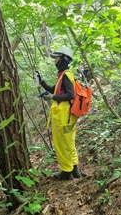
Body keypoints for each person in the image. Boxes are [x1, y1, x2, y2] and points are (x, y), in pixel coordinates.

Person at [37, 46, 81, 180]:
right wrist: (41, 82)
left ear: (63, 59)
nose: (55, 61)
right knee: (69, 143)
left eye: (56, 58)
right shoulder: (62, 75)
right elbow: (55, 90)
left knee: (62, 143)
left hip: (64, 115)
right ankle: (74, 170)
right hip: (65, 115)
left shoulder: (66, 75)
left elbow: (70, 95)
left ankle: (66, 172)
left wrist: (53, 98)